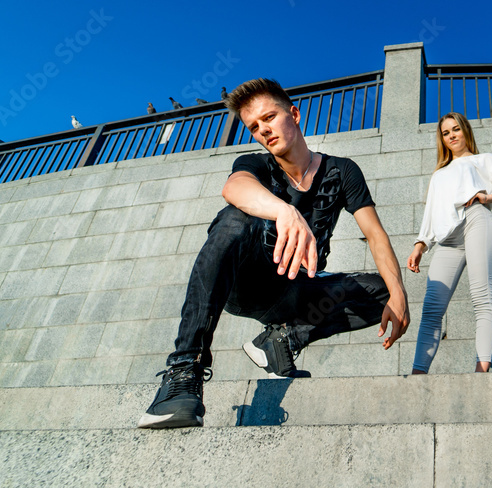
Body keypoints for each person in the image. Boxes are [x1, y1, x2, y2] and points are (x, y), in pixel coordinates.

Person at [139, 78, 410, 429]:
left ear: (294, 114)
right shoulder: (257, 165)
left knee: (385, 289)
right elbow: (234, 187)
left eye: (269, 118)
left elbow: (375, 235)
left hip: (296, 292)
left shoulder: (342, 171)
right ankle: (183, 372)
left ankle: (283, 340)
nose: (263, 130)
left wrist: (401, 294)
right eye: (254, 126)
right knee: (236, 218)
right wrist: (284, 211)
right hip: (247, 282)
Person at [407, 112, 492, 374]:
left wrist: (489, 197)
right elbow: (431, 214)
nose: (452, 136)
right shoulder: (439, 174)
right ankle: (417, 375)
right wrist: (419, 246)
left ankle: (481, 371)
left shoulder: (484, 160)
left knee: (481, 297)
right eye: (446, 133)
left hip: (476, 221)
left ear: (466, 130)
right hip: (448, 239)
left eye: (455, 129)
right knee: (432, 309)